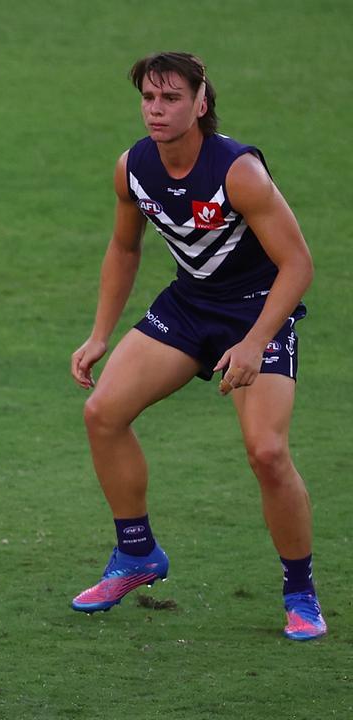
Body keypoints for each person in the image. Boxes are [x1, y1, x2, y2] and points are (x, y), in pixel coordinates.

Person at [68, 52, 324, 641]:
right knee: (102, 413)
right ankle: (136, 554)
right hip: (190, 306)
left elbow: (298, 263)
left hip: (258, 309)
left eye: (171, 98)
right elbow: (124, 249)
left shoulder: (239, 171)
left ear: (201, 103)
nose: (156, 110)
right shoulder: (133, 167)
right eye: (149, 99)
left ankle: (300, 591)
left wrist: (256, 341)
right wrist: (100, 333)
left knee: (266, 452)